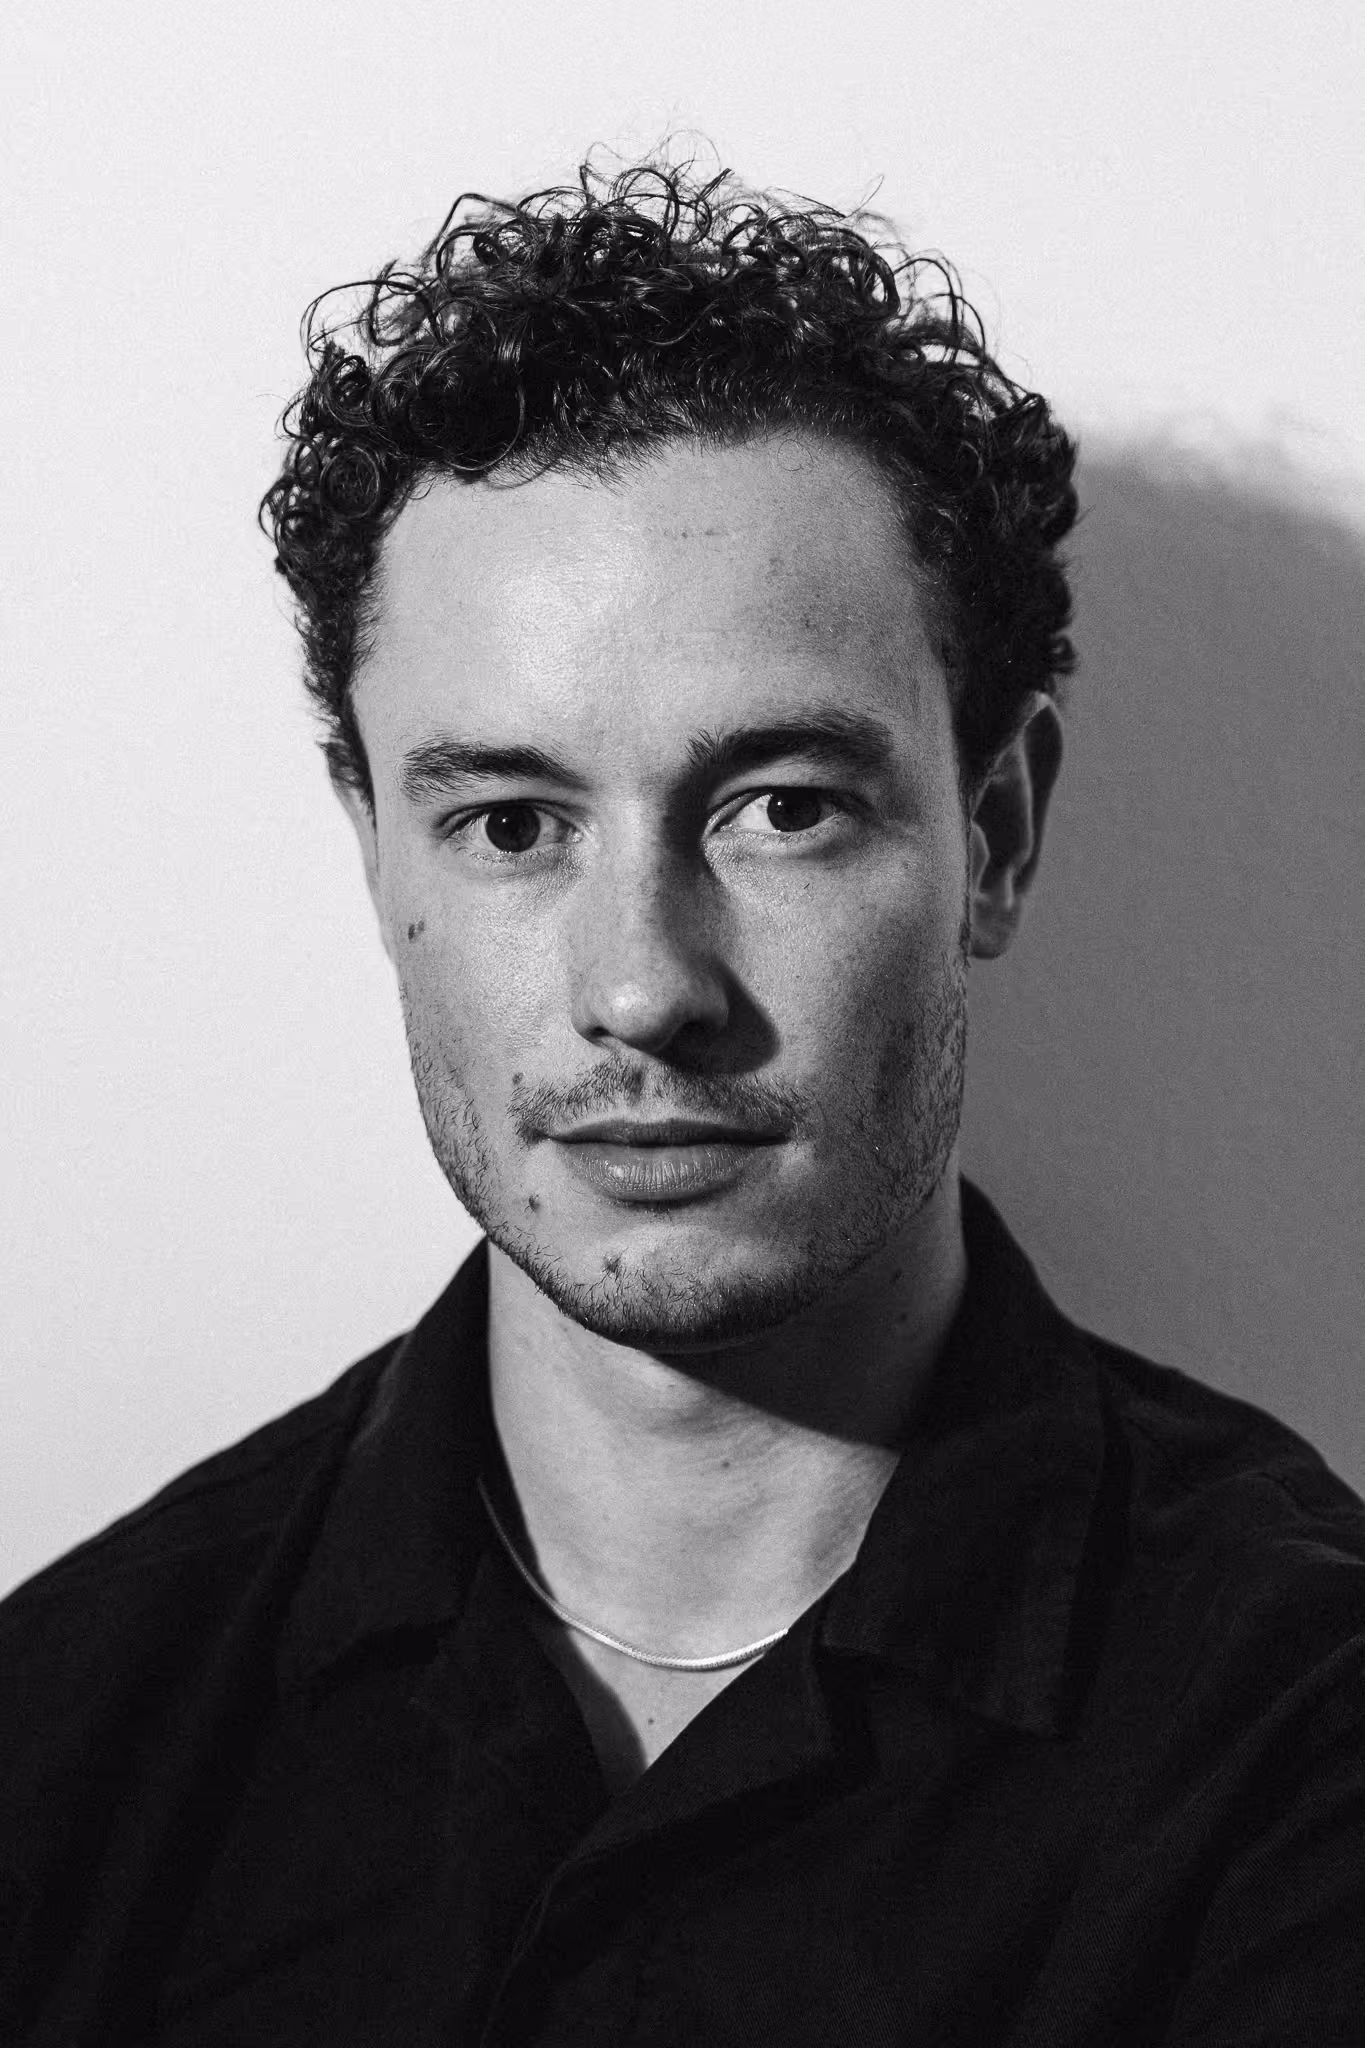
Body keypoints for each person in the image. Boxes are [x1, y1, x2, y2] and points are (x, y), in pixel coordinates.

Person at [3, 159, 1362, 2048]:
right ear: (374, 852)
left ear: (997, 830)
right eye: (509, 824)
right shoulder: (66, 1734)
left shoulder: (1302, 1740)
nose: (644, 982)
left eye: (781, 805)